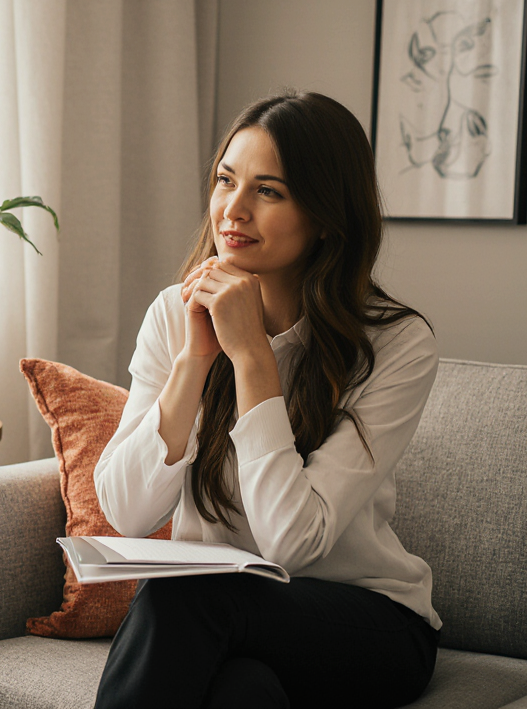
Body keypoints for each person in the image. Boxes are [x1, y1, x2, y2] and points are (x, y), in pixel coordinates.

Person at [91, 91, 440, 709]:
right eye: (226, 180)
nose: (233, 210)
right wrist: (195, 359)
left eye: (268, 191)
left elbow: (292, 544)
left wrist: (251, 356)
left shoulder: (394, 343)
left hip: (367, 624)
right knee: (243, 693)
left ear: (327, 215)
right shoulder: (175, 315)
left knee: (182, 591)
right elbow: (125, 511)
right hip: (230, 622)